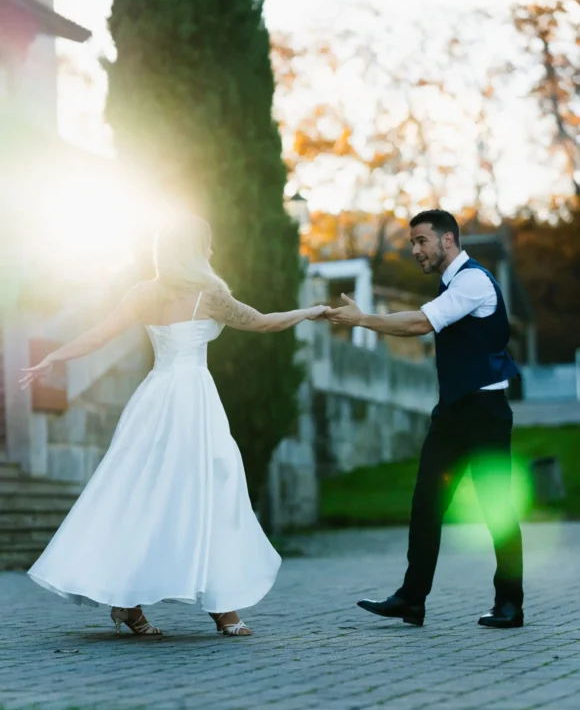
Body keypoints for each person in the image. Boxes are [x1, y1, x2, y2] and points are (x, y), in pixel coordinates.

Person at [21, 215, 329, 637]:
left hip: (157, 396)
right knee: (195, 491)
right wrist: (310, 311)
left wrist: (56, 356)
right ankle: (172, 607)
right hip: (189, 400)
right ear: (195, 249)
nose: (212, 250)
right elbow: (262, 322)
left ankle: (178, 605)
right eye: (207, 243)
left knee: (167, 492)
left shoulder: (146, 293)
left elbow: (100, 334)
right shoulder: (209, 293)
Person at [325, 209, 524, 629]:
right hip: (451, 413)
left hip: (485, 413)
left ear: (447, 239)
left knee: (496, 508)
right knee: (426, 505)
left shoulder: (473, 281)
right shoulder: (451, 283)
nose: (415, 250)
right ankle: (411, 600)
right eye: (412, 242)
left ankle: (510, 604)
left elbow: (419, 322)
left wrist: (363, 319)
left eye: (421, 241)